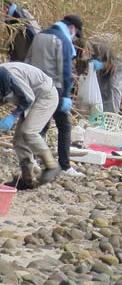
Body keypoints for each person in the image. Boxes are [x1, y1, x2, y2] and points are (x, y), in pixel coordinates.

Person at [25, 14, 84, 177]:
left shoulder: (39, 36)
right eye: (75, 34)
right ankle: (65, 166)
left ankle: (33, 160)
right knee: (64, 126)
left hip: (36, 86)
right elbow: (65, 71)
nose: (74, 38)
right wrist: (66, 95)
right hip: (54, 89)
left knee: (39, 125)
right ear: (72, 28)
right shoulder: (62, 40)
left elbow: (28, 62)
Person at [0, 62, 62, 188]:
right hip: (33, 98)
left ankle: (52, 166)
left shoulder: (10, 76)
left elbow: (28, 98)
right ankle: (27, 178)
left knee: (29, 132)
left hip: (45, 96)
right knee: (18, 140)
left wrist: (13, 115)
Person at [86, 34, 122, 113]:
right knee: (101, 83)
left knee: (114, 84)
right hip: (108, 57)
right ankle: (99, 112)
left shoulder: (99, 43)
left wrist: (102, 65)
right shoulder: (85, 51)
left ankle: (112, 115)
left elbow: (118, 63)